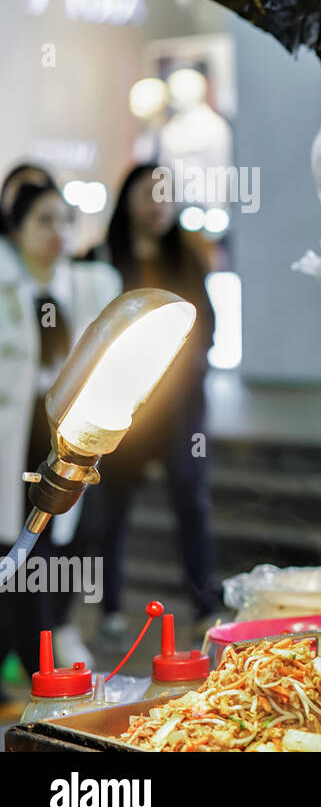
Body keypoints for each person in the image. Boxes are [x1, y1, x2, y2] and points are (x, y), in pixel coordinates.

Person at [87, 163, 219, 645]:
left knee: (192, 502)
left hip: (181, 408)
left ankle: (206, 605)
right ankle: (111, 609)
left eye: (166, 194)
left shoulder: (187, 255)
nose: (158, 204)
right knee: (112, 509)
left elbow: (208, 325)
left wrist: (187, 369)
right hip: (126, 409)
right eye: (148, 193)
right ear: (127, 199)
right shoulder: (100, 259)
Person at [0, 173, 121, 690]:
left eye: (65, 219)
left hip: (60, 435)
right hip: (11, 437)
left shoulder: (87, 284)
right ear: (16, 228)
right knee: (15, 550)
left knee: (57, 544)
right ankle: (33, 660)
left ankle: (44, 654)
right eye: (43, 220)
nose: (57, 231)